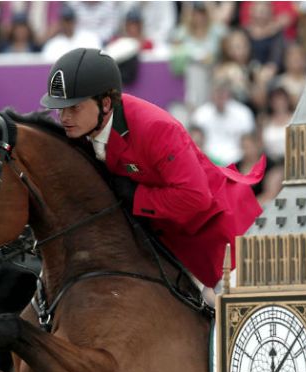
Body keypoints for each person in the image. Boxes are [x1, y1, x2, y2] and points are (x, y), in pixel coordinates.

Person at [39, 48, 265, 291]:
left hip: (225, 237)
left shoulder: (156, 128)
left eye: (74, 108)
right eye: (60, 108)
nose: (63, 117)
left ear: (105, 103)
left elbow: (196, 197)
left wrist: (137, 196)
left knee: (232, 325)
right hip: (172, 245)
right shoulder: (83, 130)